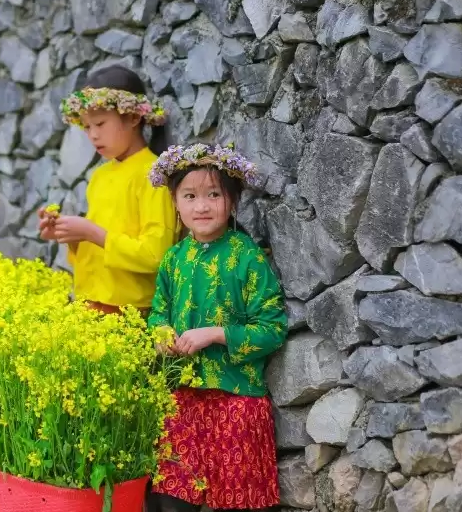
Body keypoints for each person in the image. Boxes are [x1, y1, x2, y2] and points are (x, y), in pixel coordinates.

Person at [145, 143, 288, 512]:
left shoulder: (246, 257)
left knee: (238, 500)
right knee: (171, 497)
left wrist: (216, 333)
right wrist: (162, 337)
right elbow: (157, 313)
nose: (202, 206)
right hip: (183, 396)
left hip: (235, 398)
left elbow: (272, 328)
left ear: (232, 202)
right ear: (175, 203)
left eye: (213, 195)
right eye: (190, 196)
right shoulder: (174, 259)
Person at [38, 66, 178, 316]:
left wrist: (91, 232)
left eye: (100, 124)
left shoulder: (154, 174)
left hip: (131, 311)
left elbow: (156, 256)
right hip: (89, 302)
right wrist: (70, 236)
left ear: (134, 118)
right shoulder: (100, 176)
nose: (93, 135)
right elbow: (95, 246)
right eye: (87, 127)